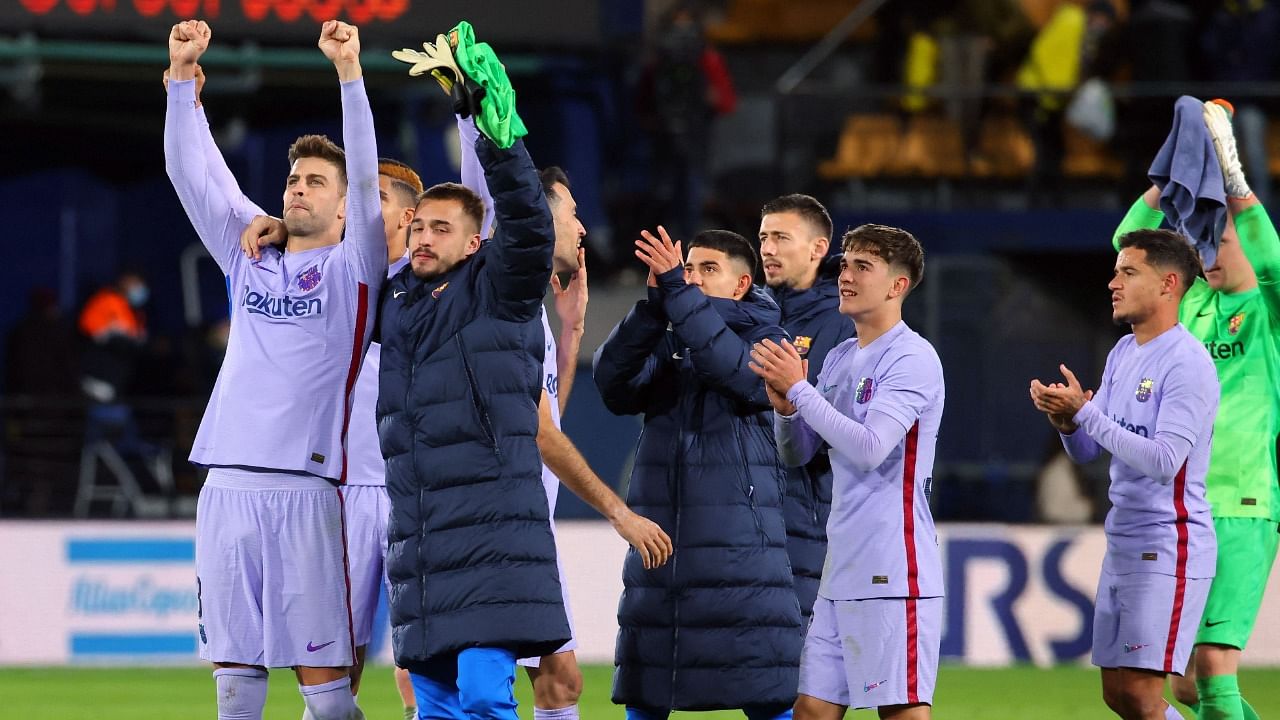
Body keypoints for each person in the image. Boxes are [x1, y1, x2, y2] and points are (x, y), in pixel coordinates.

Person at [165, 18, 383, 720]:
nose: (299, 189)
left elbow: (371, 175)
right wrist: (179, 81)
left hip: (307, 490)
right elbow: (189, 172)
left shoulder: (355, 269)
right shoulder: (247, 252)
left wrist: (349, 72)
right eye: (293, 178)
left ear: (347, 206)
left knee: (327, 697)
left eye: (318, 181)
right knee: (234, 684)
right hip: (225, 486)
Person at [376, 30, 570, 719]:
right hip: (423, 549)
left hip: (492, 542)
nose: (423, 237)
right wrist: (278, 229)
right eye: (418, 227)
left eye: (441, 228)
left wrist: (492, 132)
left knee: (487, 700)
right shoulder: (397, 306)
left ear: (475, 242)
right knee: (435, 710)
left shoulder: (502, 288)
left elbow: (526, 224)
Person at [455, 117, 673, 720]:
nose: (581, 226)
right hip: (490, 524)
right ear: (537, 215)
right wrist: (619, 512)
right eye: (572, 211)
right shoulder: (497, 300)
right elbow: (538, 432)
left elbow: (546, 409)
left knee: (561, 680)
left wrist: (573, 331)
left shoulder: (534, 309)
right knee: (467, 687)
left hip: (526, 521)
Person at [240, 156, 425, 720]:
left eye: (380, 201)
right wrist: (277, 223)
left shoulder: (433, 285)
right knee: (335, 666)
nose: (367, 212)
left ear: (408, 217)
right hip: (343, 490)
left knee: (425, 659)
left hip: (413, 489)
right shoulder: (336, 275)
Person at [1112, 100, 1279, 720]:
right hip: (1185, 511)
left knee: (1211, 666)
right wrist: (1166, 183)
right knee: (1182, 684)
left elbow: (1271, 259)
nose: (1213, 247)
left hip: (1242, 501)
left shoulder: (1268, 313)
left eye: (1224, 238)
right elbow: (1129, 245)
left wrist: (1234, 187)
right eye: (1205, 239)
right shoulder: (1190, 310)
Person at [593, 226, 801, 720]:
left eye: (707, 269)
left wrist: (678, 296)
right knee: (647, 690)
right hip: (660, 545)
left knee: (765, 690)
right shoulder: (670, 336)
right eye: (687, 268)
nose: (690, 278)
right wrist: (650, 308)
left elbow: (734, 371)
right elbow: (612, 384)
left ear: (741, 284)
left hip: (740, 551)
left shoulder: (772, 338)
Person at [752, 224, 944, 720]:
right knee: (813, 709)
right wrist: (786, 409)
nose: (846, 275)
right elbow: (797, 453)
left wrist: (800, 391)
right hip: (842, 565)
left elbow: (870, 448)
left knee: (899, 710)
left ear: (898, 286)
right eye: (845, 264)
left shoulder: (912, 357)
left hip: (893, 565)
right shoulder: (839, 357)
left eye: (863, 266)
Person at [1030, 229, 1218, 720]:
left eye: (1129, 272)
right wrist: (1068, 423)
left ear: (1168, 284)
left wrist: (1087, 415)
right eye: (1116, 271)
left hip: (1169, 542)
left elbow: (1163, 460)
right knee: (1118, 695)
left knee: (1141, 695)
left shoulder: (1187, 363)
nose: (1113, 282)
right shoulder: (1123, 353)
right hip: (1125, 541)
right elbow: (1089, 452)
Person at [758, 193, 855, 623]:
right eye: (763, 238)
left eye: (781, 237)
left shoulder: (842, 320)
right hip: (747, 512)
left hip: (807, 515)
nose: (767, 249)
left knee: (803, 666)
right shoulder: (748, 312)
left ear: (818, 248)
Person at [78, 270, 148, 404]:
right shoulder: (106, 301)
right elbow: (90, 330)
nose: (139, 288)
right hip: (98, 379)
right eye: (135, 283)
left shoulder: (132, 309)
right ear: (124, 281)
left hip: (118, 379)